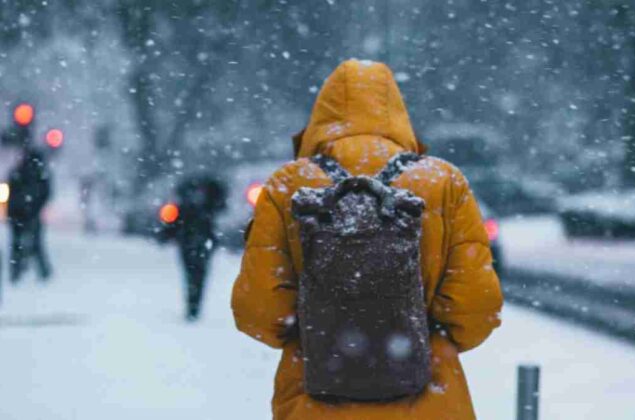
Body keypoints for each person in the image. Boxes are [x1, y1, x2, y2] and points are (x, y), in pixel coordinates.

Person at [231, 59, 503, 419]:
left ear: (321, 116)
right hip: (430, 400)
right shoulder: (443, 181)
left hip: (314, 399)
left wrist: (324, 333)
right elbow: (476, 309)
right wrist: (414, 338)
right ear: (397, 113)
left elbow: (258, 313)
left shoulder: (288, 185)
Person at [161, 174, 227, 321]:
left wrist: (167, 234)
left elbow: (172, 221)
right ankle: (194, 305)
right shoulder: (209, 201)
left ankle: (192, 305)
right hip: (200, 241)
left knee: (192, 274)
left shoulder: (186, 200)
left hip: (189, 241)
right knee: (198, 274)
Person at [7, 138, 53, 283]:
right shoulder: (39, 174)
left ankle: (16, 272)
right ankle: (43, 272)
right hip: (30, 213)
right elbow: (46, 193)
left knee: (17, 244)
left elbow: (12, 192)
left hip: (18, 214)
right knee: (36, 244)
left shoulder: (18, 172)